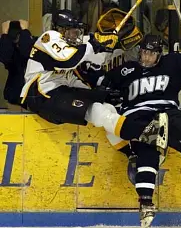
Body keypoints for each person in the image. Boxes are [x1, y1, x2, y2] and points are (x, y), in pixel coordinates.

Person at [100, 34, 181, 228]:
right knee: (146, 154)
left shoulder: (173, 63)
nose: (146, 58)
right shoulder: (127, 70)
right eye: (143, 53)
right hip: (139, 116)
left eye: (151, 54)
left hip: (169, 112)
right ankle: (145, 203)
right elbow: (101, 85)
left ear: (160, 54)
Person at [20, 9, 165, 149]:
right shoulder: (49, 37)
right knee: (95, 110)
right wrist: (93, 44)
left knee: (107, 106)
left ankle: (129, 152)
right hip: (38, 94)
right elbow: (69, 60)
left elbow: (88, 62)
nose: (74, 35)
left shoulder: (72, 45)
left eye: (76, 32)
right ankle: (144, 134)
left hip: (58, 91)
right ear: (59, 29)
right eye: (71, 31)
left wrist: (111, 41)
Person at [0, 20, 36, 109]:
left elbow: (28, 53)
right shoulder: (7, 45)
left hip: (34, 95)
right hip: (14, 94)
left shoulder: (31, 42)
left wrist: (25, 32)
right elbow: (5, 57)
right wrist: (5, 36)